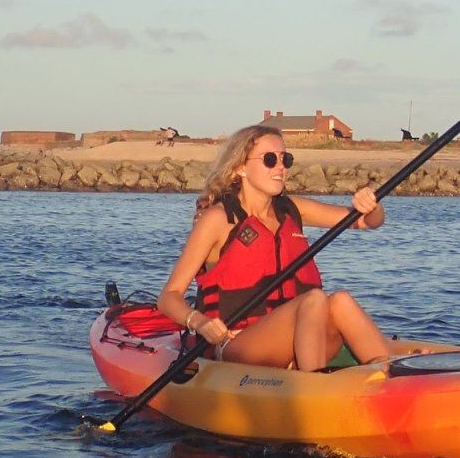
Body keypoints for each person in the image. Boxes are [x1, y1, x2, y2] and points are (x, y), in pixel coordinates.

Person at [156, 124, 393, 371]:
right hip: (238, 345)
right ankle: (310, 388)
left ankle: (390, 372)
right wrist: (200, 322)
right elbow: (168, 296)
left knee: (341, 301)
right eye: (270, 159)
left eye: (285, 159)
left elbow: (365, 221)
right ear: (240, 168)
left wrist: (373, 207)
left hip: (295, 339)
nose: (281, 167)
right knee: (313, 300)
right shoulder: (217, 219)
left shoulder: (291, 210)